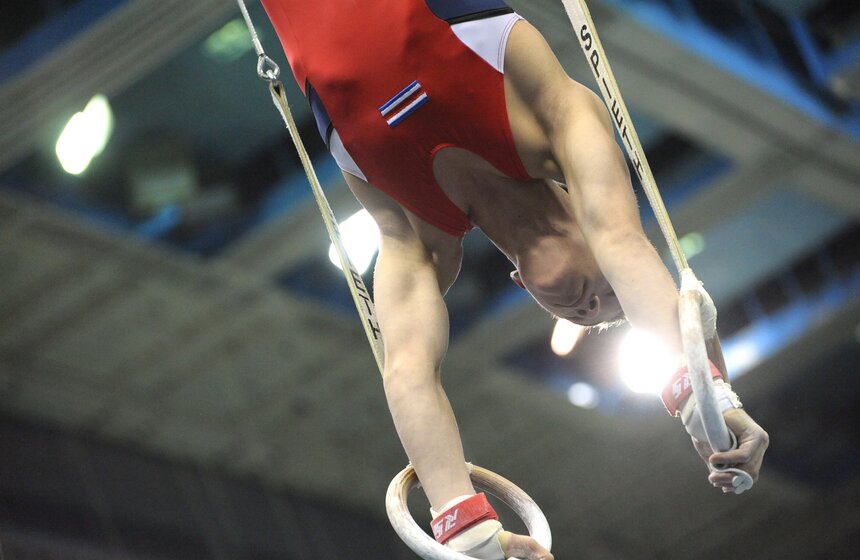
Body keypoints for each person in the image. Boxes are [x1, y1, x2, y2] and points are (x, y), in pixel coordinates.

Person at [258, 1, 769, 558]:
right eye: (610, 291)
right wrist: (706, 401)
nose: (591, 304)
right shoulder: (559, 121)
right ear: (587, 213)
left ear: (522, 284)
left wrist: (471, 535)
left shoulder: (418, 241)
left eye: (582, 314)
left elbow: (407, 372)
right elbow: (625, 243)